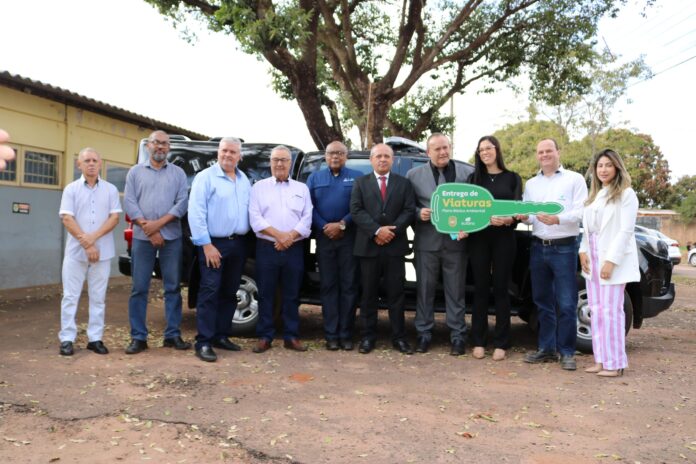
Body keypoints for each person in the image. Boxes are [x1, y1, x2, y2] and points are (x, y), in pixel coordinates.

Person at [516, 139, 587, 371]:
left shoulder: (574, 179)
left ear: (558, 152)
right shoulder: (532, 184)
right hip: (538, 246)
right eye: (540, 152)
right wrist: (522, 216)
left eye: (549, 151)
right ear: (537, 156)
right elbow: (529, 215)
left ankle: (566, 352)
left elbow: (580, 212)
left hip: (565, 247)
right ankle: (546, 349)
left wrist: (559, 219)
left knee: (566, 302)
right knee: (542, 301)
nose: (545, 155)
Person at [123, 130, 190, 354]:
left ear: (169, 147)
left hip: (171, 238)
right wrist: (148, 229)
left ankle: (172, 335)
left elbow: (181, 204)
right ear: (148, 146)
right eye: (156, 143)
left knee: (172, 288)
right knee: (139, 288)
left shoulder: (179, 174)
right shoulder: (134, 173)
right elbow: (130, 203)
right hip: (143, 238)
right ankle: (138, 337)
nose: (160, 147)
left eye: (164, 144)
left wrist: (157, 226)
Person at [406, 133, 472, 356]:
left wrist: (468, 226)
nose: (443, 152)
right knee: (424, 290)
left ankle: (458, 335)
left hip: (457, 244)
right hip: (427, 243)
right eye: (437, 149)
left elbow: (475, 207)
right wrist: (418, 213)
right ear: (428, 152)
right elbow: (407, 207)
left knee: (456, 291)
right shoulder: (413, 175)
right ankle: (423, 334)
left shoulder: (468, 173)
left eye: (446, 147)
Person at [187, 137, 252, 362]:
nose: (228, 155)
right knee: (209, 292)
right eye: (224, 150)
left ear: (239, 156)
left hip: (238, 243)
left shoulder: (245, 180)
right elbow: (195, 213)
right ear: (218, 153)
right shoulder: (205, 178)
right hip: (214, 243)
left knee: (229, 291)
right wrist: (206, 245)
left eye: (233, 152)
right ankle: (203, 341)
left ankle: (221, 335)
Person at [351, 143, 416, 354]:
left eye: (386, 156)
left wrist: (391, 232)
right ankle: (368, 337)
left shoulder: (404, 183)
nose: (382, 159)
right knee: (368, 294)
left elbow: (408, 211)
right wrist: (377, 231)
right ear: (371, 160)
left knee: (396, 295)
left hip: (394, 248)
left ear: (393, 160)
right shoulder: (360, 183)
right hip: (368, 248)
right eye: (378, 156)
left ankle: (399, 337)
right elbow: (356, 210)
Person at [579, 149, 639, 377]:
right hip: (592, 258)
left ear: (617, 168)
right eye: (600, 165)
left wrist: (611, 261)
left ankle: (615, 363)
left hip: (611, 259)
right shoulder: (594, 195)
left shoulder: (626, 194)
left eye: (608, 165)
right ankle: (600, 360)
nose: (603, 169)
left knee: (612, 311)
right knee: (596, 310)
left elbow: (625, 231)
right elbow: (587, 230)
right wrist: (582, 251)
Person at [249, 145, 313, 353]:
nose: (279, 163)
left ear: (290, 163)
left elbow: (307, 217)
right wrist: (279, 236)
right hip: (267, 246)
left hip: (294, 248)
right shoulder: (258, 188)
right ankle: (265, 336)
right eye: (276, 159)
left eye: (284, 160)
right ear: (270, 162)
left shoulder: (301, 189)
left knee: (292, 294)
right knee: (266, 293)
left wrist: (289, 237)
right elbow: (255, 218)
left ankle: (291, 336)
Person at [58, 148, 121, 356]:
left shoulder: (111, 189)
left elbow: (114, 218)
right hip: (75, 253)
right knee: (70, 296)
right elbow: (67, 218)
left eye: (95, 160)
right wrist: (86, 244)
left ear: (100, 163)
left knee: (98, 297)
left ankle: (95, 339)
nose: (91, 163)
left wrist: (92, 240)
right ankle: (67, 339)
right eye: (87, 161)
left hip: (102, 253)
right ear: (79, 165)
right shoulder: (71, 189)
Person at [467, 136, 522, 361]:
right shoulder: (473, 179)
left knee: (501, 289)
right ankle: (478, 341)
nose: (485, 152)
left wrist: (508, 219)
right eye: (481, 150)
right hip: (479, 239)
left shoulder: (513, 178)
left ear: (497, 150)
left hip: (504, 239)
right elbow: (466, 211)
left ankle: (501, 342)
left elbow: (518, 210)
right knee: (480, 290)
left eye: (488, 148)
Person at [306, 141, 362, 351]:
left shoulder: (357, 177)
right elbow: (307, 207)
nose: (335, 157)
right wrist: (324, 227)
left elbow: (359, 206)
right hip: (324, 239)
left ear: (346, 156)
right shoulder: (315, 178)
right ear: (325, 156)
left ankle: (346, 334)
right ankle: (331, 335)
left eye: (339, 153)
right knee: (328, 287)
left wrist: (342, 224)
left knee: (349, 287)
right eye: (331, 153)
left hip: (349, 239)